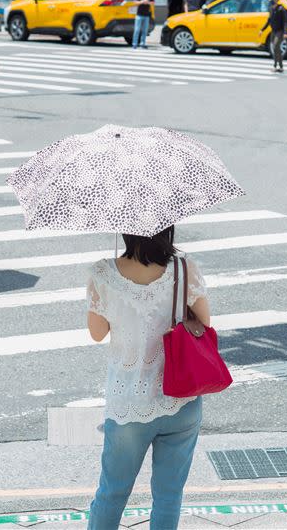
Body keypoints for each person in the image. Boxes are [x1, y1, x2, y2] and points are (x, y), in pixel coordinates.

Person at [86, 226, 209, 530]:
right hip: (180, 399)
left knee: (112, 494)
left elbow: (97, 333)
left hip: (129, 403)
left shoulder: (103, 273)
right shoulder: (184, 268)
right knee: (168, 497)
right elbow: (204, 324)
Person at [260, 0, 287, 73]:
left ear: (277, 0)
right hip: (273, 31)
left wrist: (285, 32)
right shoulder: (271, 9)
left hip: (280, 31)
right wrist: (262, 30)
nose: (271, 0)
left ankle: (279, 66)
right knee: (275, 49)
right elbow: (269, 20)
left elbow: (285, 22)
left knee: (276, 46)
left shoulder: (281, 9)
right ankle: (277, 66)